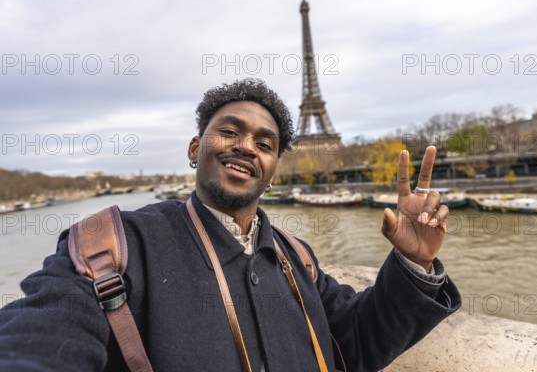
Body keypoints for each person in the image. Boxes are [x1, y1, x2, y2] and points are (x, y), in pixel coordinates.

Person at [0, 78, 461, 371]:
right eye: (229, 131)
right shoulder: (114, 244)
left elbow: (356, 345)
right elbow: (46, 328)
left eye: (265, 142)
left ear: (273, 166)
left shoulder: (297, 256)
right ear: (194, 148)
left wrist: (412, 261)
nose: (246, 146)